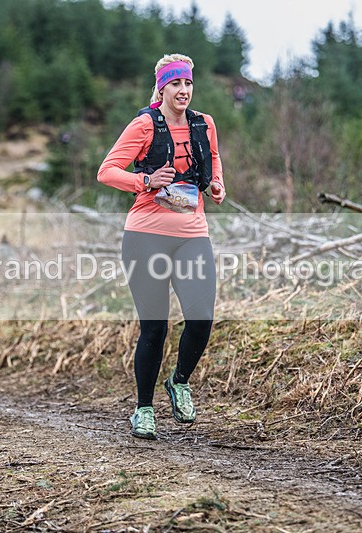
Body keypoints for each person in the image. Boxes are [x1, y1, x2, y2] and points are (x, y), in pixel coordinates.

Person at [98, 53, 226, 440]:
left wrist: (217, 184)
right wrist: (145, 181)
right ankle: (143, 409)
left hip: (192, 234)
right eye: (176, 84)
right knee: (155, 327)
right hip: (145, 236)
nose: (183, 90)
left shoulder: (204, 124)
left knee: (201, 318)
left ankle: (179, 381)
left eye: (188, 83)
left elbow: (213, 158)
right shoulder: (144, 125)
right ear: (162, 88)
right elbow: (107, 171)